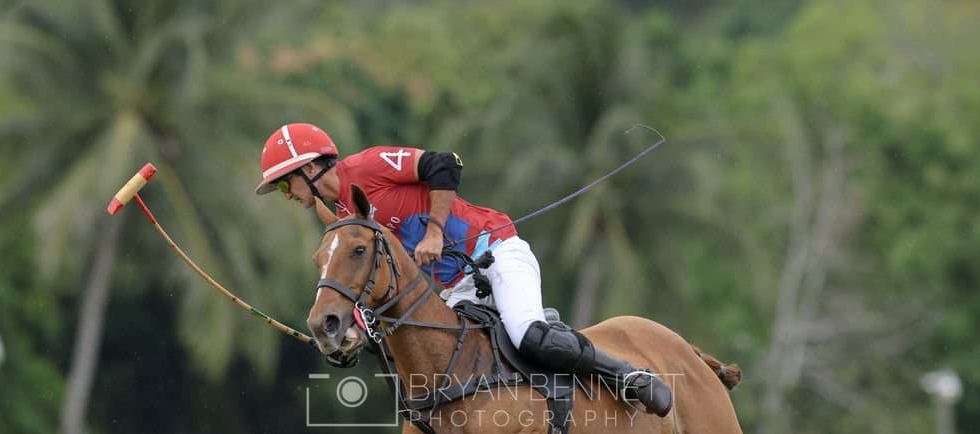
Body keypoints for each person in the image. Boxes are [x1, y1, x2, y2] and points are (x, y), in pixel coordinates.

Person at [256, 122, 671, 417]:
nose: (284, 194)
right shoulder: (344, 216)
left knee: (529, 334)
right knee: (436, 376)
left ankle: (628, 375)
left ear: (310, 168)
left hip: (495, 250)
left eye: (282, 183)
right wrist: (353, 330)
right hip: (457, 285)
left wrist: (434, 230)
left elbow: (445, 163)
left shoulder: (366, 168)